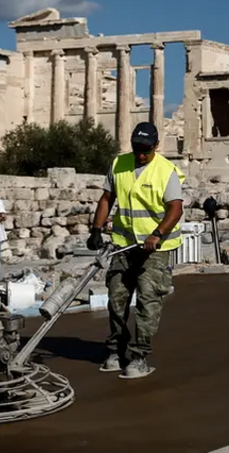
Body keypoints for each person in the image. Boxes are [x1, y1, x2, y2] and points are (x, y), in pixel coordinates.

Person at [87, 122, 184, 380]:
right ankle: (115, 350)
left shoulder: (166, 171)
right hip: (124, 244)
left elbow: (175, 208)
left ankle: (139, 354)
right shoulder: (119, 164)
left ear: (155, 146)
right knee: (116, 297)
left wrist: (157, 234)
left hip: (155, 247)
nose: (140, 155)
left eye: (145, 150)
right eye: (136, 149)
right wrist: (96, 229)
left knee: (147, 299)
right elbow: (107, 199)